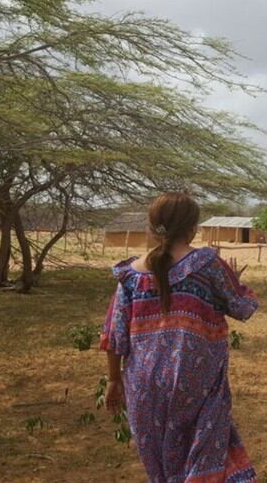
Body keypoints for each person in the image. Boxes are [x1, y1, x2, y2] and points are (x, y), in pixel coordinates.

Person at [100, 192, 257, 482]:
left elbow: (114, 334)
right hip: (195, 381)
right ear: (192, 228)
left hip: (143, 386)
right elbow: (242, 307)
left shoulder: (130, 275)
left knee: (160, 466)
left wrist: (112, 380)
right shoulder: (206, 264)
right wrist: (234, 281)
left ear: (152, 225)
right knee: (204, 453)